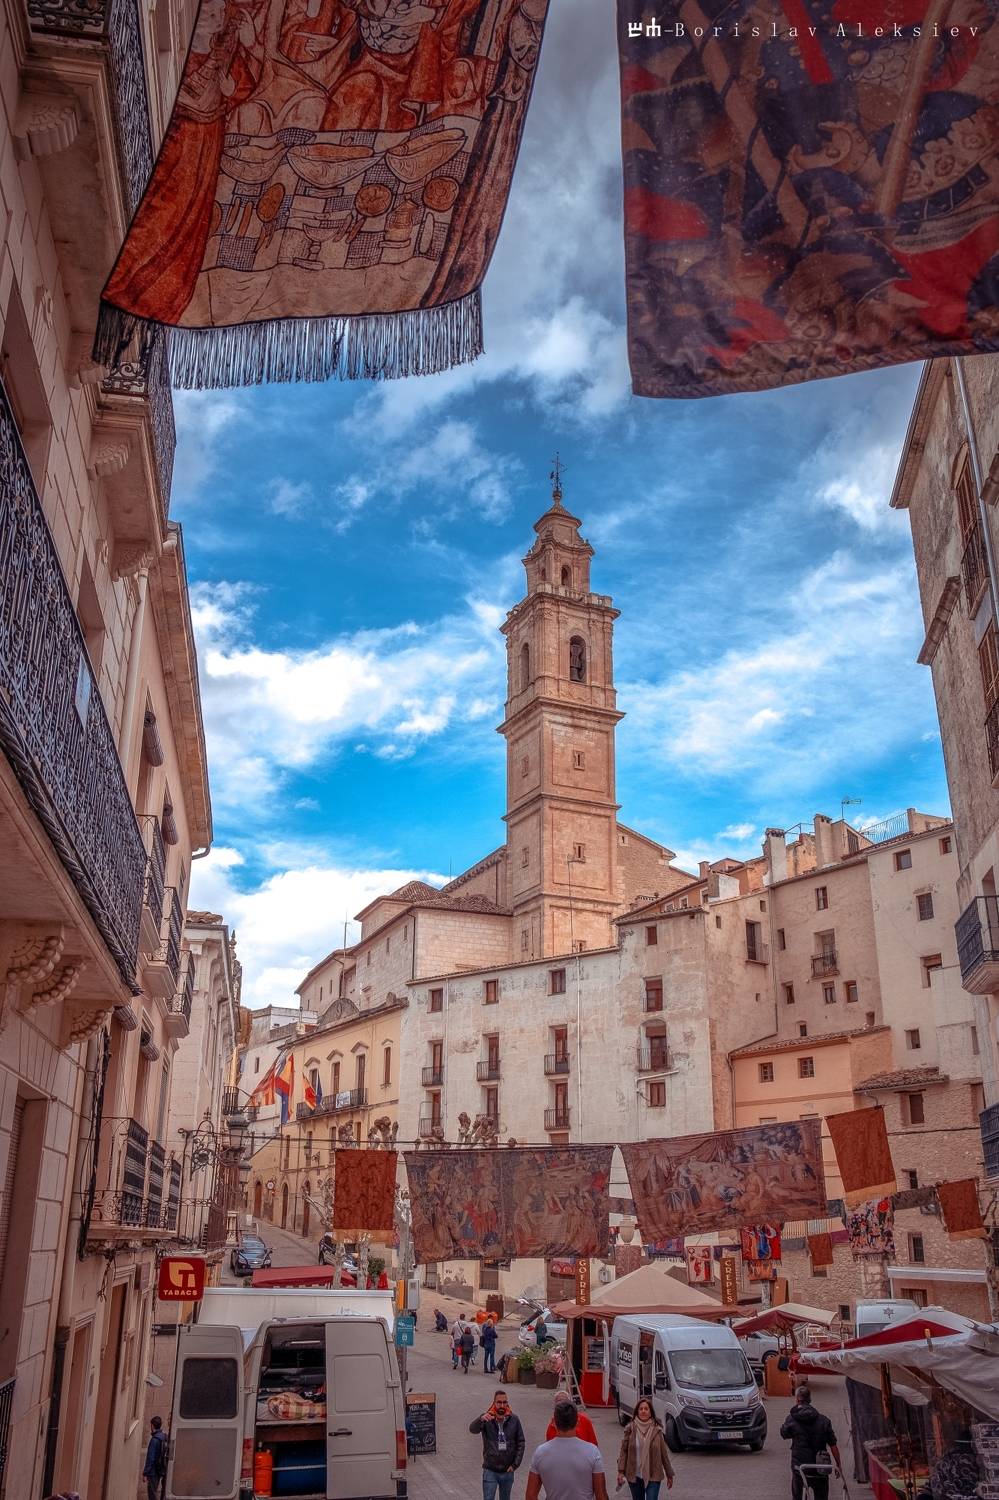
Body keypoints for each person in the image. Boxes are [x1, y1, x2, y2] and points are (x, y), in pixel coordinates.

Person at [526, 1401, 609, 1500]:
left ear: (554, 1423)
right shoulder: (592, 1452)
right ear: (577, 1422)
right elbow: (601, 1496)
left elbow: (530, 1495)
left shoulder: (540, 1452)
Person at [780, 1385, 841, 1500]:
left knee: (798, 1496)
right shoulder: (824, 1420)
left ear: (797, 1399)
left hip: (800, 1468)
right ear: (810, 1399)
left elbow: (784, 1434)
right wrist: (839, 1465)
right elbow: (833, 1445)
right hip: (820, 1467)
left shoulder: (791, 1419)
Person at [470, 1389, 526, 1500]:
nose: (502, 1405)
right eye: (499, 1402)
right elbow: (472, 1429)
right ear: (494, 1403)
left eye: (505, 1402)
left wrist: (515, 1464)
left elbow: (521, 1442)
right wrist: (480, 1419)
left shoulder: (514, 1419)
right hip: (490, 1470)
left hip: (507, 1470)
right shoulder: (487, 1418)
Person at [617, 1399, 674, 1499]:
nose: (643, 1411)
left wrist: (669, 1474)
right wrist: (621, 1471)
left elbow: (664, 1454)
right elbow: (623, 1451)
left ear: (650, 1412)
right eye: (641, 1409)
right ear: (637, 1412)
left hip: (654, 1475)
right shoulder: (630, 1429)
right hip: (635, 1475)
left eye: (646, 1409)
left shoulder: (657, 1431)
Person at [142, 1415, 169, 1500]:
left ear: (152, 1425)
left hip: (153, 1472)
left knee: (152, 1494)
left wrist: (145, 1473)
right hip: (162, 1468)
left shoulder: (154, 1440)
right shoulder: (165, 1437)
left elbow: (150, 1458)